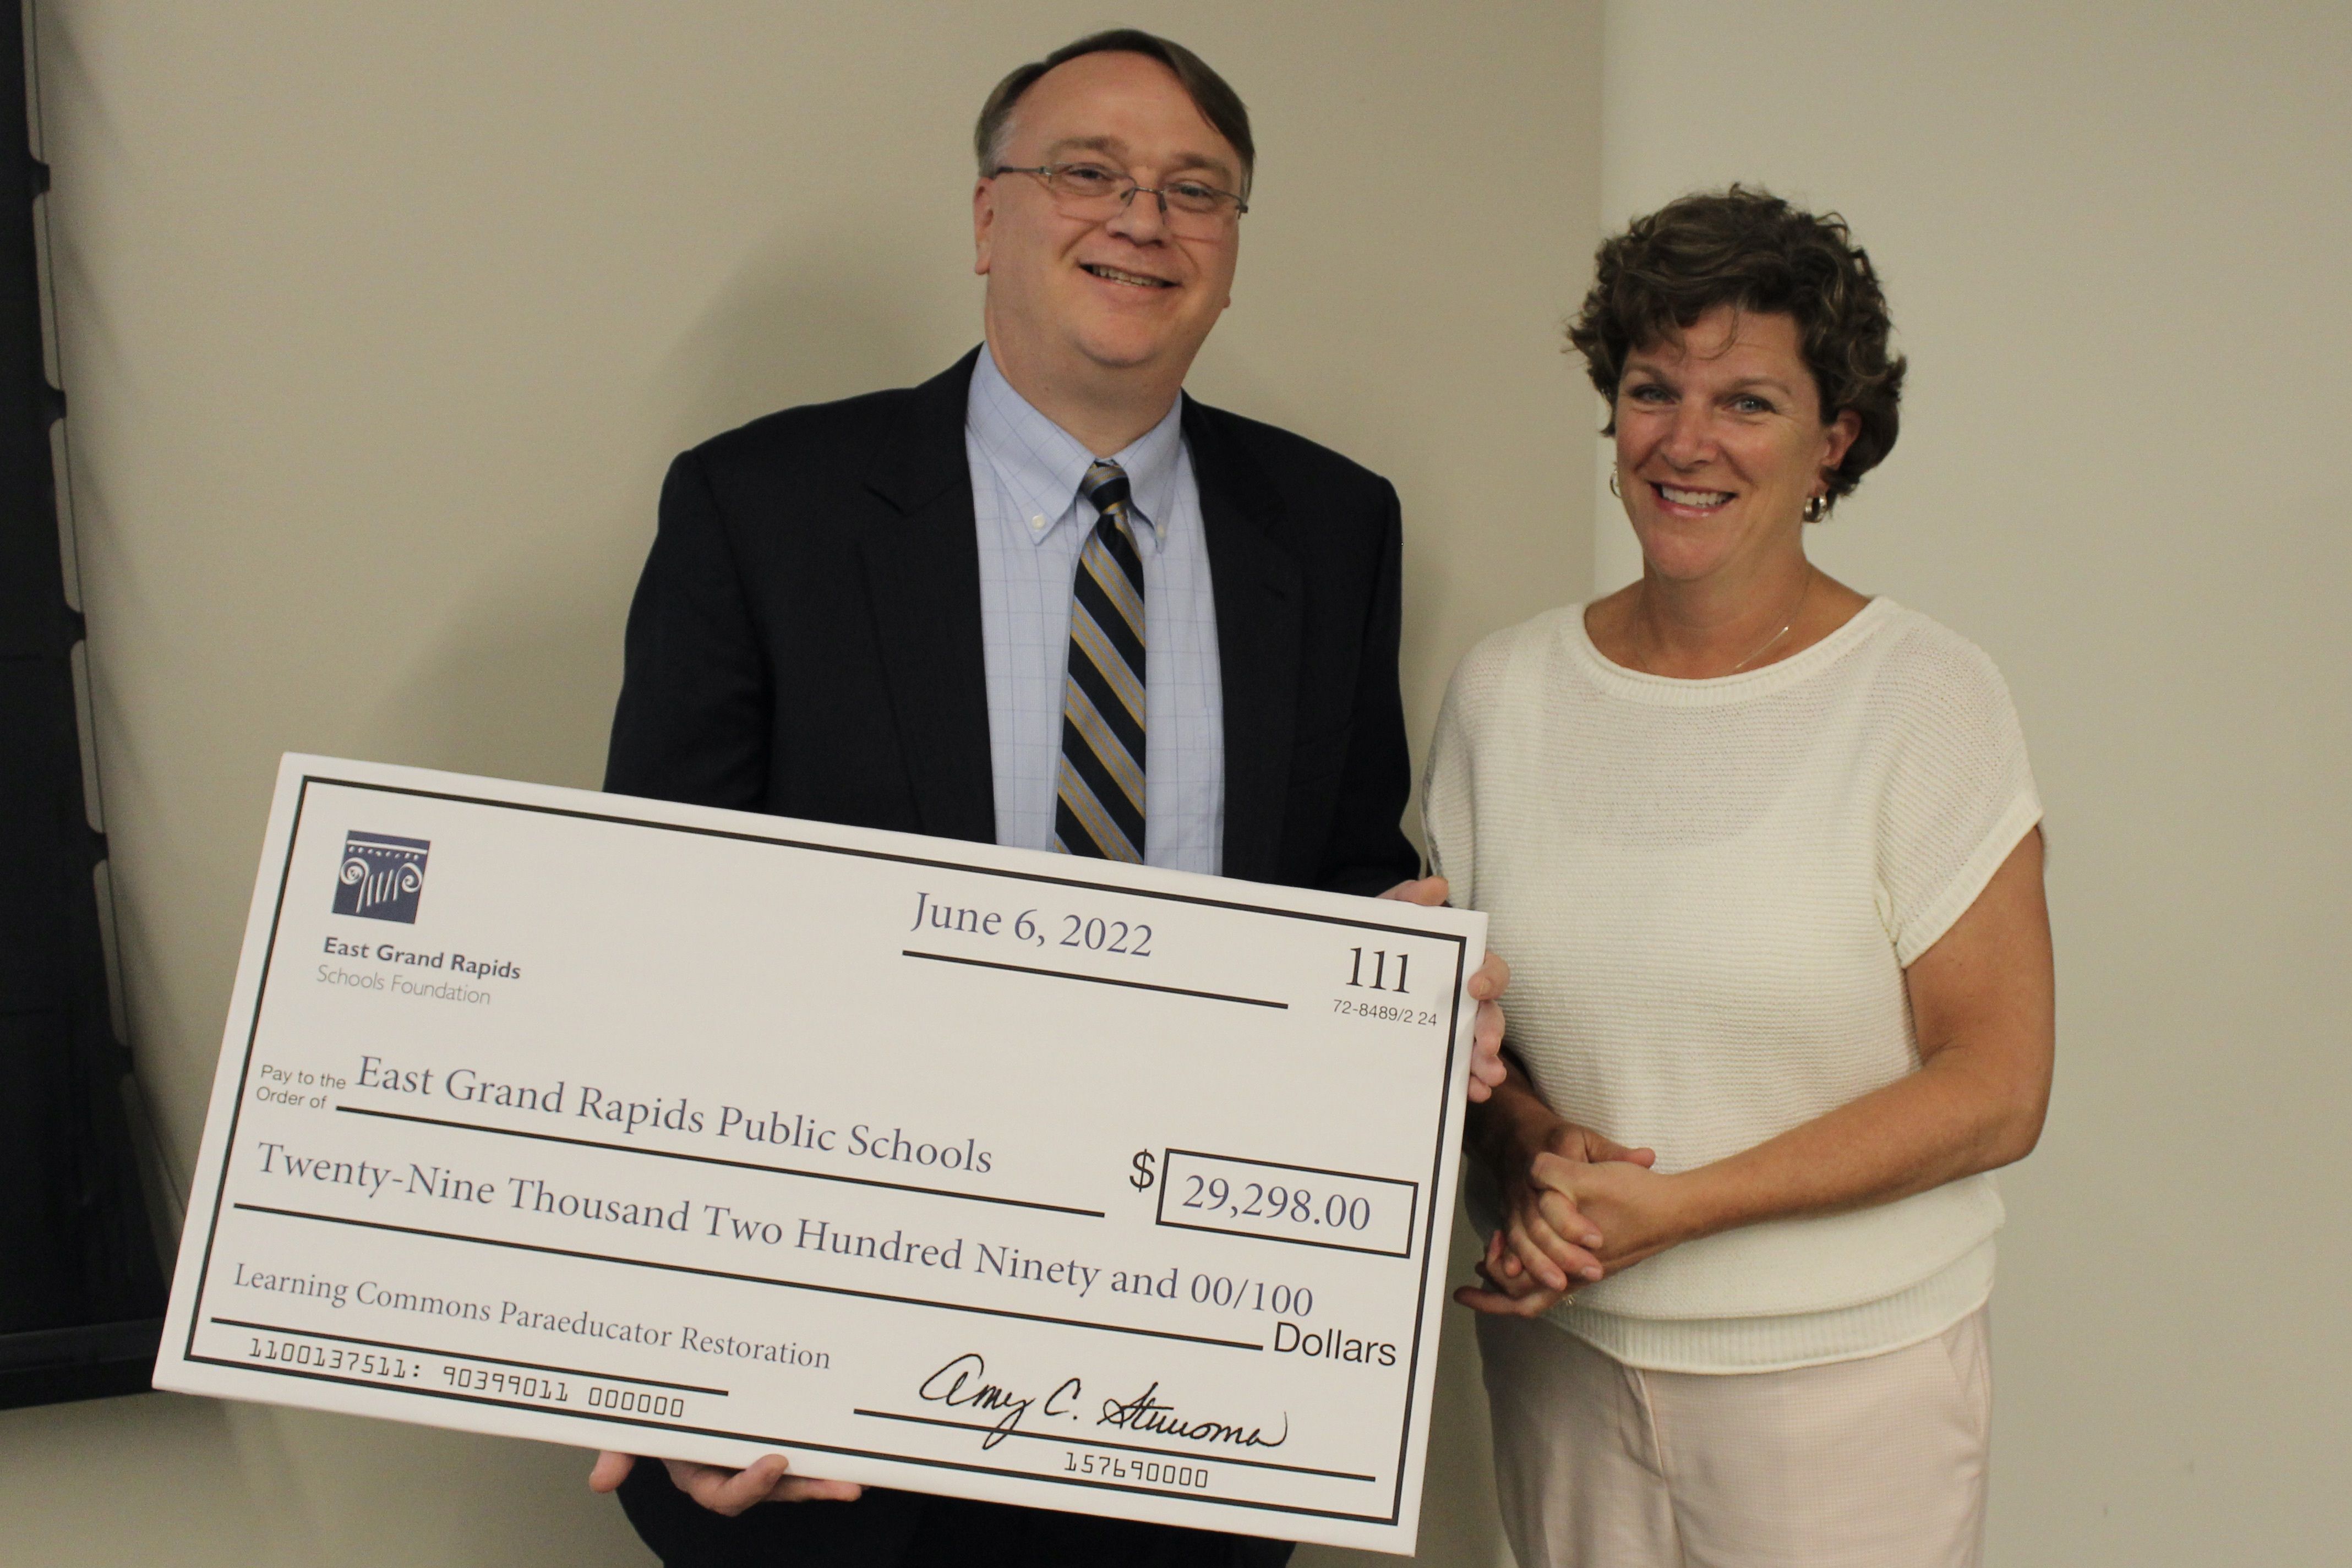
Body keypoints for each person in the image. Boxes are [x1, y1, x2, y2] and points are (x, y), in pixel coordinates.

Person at [588, 29, 1505, 1568]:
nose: (1141, 219)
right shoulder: (764, 508)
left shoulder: (1335, 528)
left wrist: (1416, 997)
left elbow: (1351, 878)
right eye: (1088, 171)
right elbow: (656, 945)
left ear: (1227, 250)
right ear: (985, 217)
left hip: (1189, 1399)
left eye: (1194, 191)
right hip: (829, 1395)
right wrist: (680, 1352)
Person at [1427, 187, 2054, 1567]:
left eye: (1748, 403)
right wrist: (1529, 1147)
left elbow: (1996, 1086)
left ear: (1834, 439)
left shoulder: (1925, 697)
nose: (1686, 442)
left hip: (1846, 1389)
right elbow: (1476, 1043)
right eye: (1653, 389)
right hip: (1562, 1370)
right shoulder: (1505, 694)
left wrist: (1681, 1209)